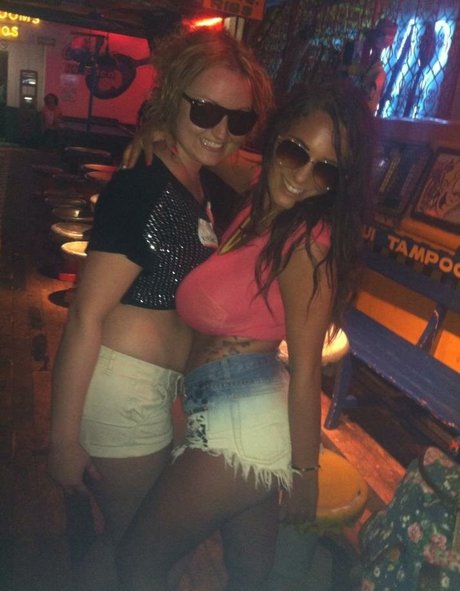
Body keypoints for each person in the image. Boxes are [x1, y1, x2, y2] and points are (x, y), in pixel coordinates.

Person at [116, 80, 375, 591]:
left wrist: (305, 473)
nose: (302, 177)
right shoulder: (264, 199)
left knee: (136, 562)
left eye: (325, 170)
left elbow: (307, 369)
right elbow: (213, 152)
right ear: (277, 139)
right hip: (224, 409)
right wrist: (161, 135)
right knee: (250, 575)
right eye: (296, 152)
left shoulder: (307, 242)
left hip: (242, 423)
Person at [47, 27, 272, 590]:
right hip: (120, 389)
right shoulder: (143, 184)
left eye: (238, 120)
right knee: (139, 552)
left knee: (132, 546)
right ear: (174, 95)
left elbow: (274, 178)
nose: (220, 132)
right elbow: (85, 316)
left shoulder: (192, 176)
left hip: (160, 392)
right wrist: (63, 439)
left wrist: (179, 133)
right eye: (206, 111)